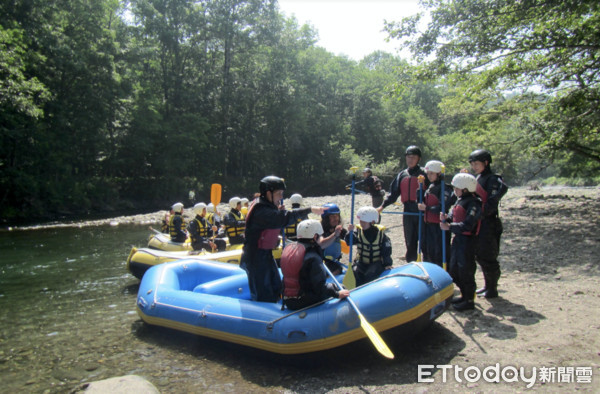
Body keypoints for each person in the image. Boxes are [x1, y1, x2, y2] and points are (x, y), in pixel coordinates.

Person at [240, 175, 326, 302]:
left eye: (282, 193)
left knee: (276, 287)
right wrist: (309, 209)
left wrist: (277, 210)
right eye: (279, 193)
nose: (281, 197)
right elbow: (284, 218)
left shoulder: (265, 205)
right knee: (264, 295)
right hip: (255, 258)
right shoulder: (261, 211)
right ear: (268, 193)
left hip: (264, 255)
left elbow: (276, 218)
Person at [281, 219, 350, 310]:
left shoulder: (289, 249)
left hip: (288, 300)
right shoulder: (313, 258)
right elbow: (319, 287)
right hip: (303, 301)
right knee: (342, 288)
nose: (321, 238)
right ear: (314, 237)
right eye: (320, 236)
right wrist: (337, 293)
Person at [377, 145, 429, 262]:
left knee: (424, 241)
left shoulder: (425, 174)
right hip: (408, 210)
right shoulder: (402, 175)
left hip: (422, 210)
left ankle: (427, 265)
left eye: (413, 157)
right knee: (410, 240)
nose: (410, 160)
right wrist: (382, 207)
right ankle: (411, 263)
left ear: (418, 159)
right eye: (408, 157)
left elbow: (434, 189)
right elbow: (393, 194)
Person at [469, 149, 509, 299]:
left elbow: (494, 198)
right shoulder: (478, 178)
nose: (474, 166)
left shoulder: (493, 179)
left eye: (477, 163)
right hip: (478, 222)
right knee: (479, 255)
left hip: (489, 223)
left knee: (489, 256)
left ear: (486, 163)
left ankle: (492, 288)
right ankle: (487, 285)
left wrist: (483, 212)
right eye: (473, 164)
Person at [440, 173, 482, 311]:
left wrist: (450, 227)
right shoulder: (460, 200)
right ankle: (464, 295)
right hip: (458, 239)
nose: (454, 191)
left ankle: (469, 300)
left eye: (457, 188)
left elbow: (468, 224)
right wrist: (447, 218)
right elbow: (454, 216)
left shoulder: (474, 203)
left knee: (466, 270)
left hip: (468, 241)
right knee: (454, 270)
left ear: (465, 188)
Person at [418, 160, 456, 267]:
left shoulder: (446, 188)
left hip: (439, 226)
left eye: (432, 173)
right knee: (427, 251)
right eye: (428, 174)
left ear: (439, 174)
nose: (429, 176)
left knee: (439, 252)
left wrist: (427, 208)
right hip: (428, 225)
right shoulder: (430, 187)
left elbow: (442, 206)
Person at [346, 206, 393, 286]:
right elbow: (349, 242)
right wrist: (349, 233)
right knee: (356, 272)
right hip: (361, 262)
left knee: (370, 274)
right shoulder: (358, 232)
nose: (361, 224)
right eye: (361, 221)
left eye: (364, 222)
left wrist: (387, 264)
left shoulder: (381, 236)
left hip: (375, 263)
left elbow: (386, 251)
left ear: (372, 222)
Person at [318, 203, 348, 275]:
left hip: (333, 263)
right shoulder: (319, 229)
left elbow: (351, 240)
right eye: (332, 216)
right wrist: (335, 234)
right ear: (326, 218)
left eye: (337, 216)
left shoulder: (339, 229)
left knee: (337, 268)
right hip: (320, 263)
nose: (336, 219)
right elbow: (322, 244)